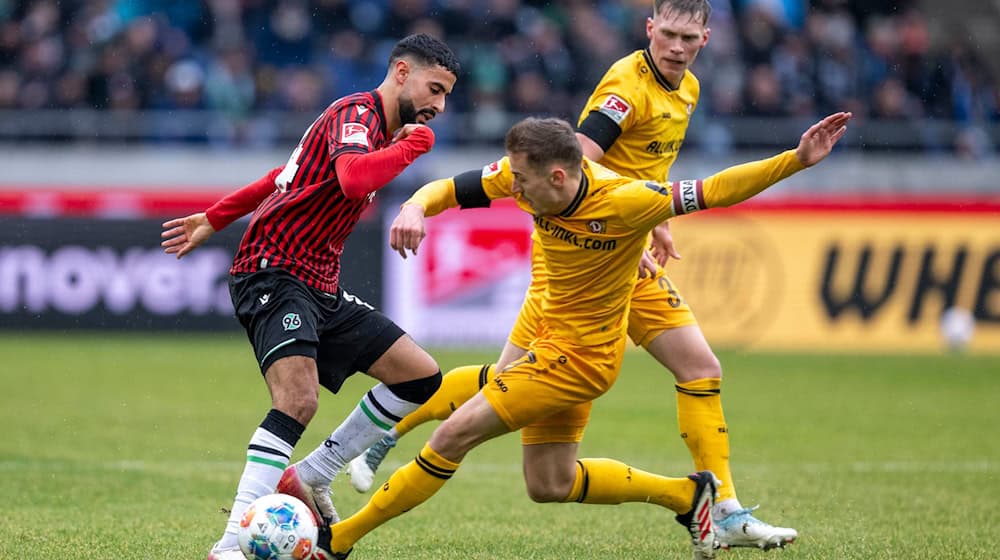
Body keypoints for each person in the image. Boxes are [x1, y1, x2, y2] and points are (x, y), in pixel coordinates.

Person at [348, 0, 797, 550]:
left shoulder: (689, 89)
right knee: (515, 401)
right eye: (669, 35)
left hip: (621, 245)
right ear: (650, 29)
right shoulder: (624, 88)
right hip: (582, 250)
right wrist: (632, 210)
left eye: (690, 37)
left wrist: (645, 214)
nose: (678, 47)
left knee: (698, 367)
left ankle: (719, 504)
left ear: (706, 37)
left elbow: (656, 176)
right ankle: (390, 431)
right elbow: (580, 154)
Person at [320, 113, 851, 559]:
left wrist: (795, 159)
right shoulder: (524, 177)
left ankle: (339, 542)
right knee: (548, 484)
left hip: (575, 362)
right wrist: (415, 206)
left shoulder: (626, 202)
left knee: (453, 436)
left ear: (557, 176)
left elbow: (716, 189)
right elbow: (452, 188)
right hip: (550, 339)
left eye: (523, 182)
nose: (514, 189)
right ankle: (689, 498)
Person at [159, 33, 460, 560]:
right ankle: (230, 544)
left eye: (447, 96)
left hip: (319, 282)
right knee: (297, 399)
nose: (439, 106)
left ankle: (313, 473)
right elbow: (350, 180)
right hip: (272, 270)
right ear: (401, 72)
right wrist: (413, 146)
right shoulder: (357, 115)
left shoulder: (374, 129)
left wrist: (214, 216)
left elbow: (284, 176)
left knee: (420, 375)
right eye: (434, 89)